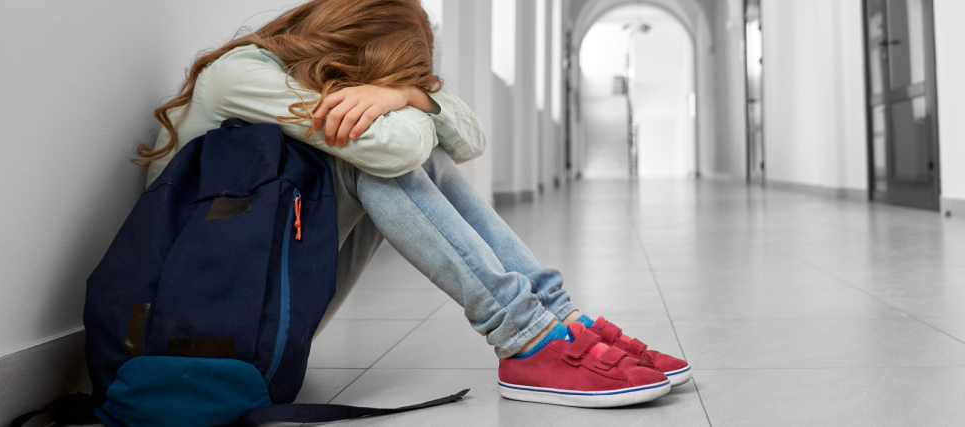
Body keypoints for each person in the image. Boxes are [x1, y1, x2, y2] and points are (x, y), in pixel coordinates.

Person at [137, 0, 689, 408]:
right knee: (370, 156)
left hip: (263, 296)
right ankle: (527, 338)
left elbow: (468, 140)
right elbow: (398, 146)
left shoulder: (312, 83)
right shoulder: (241, 75)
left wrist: (407, 96)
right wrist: (402, 106)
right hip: (196, 318)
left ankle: (554, 322)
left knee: (390, 152)